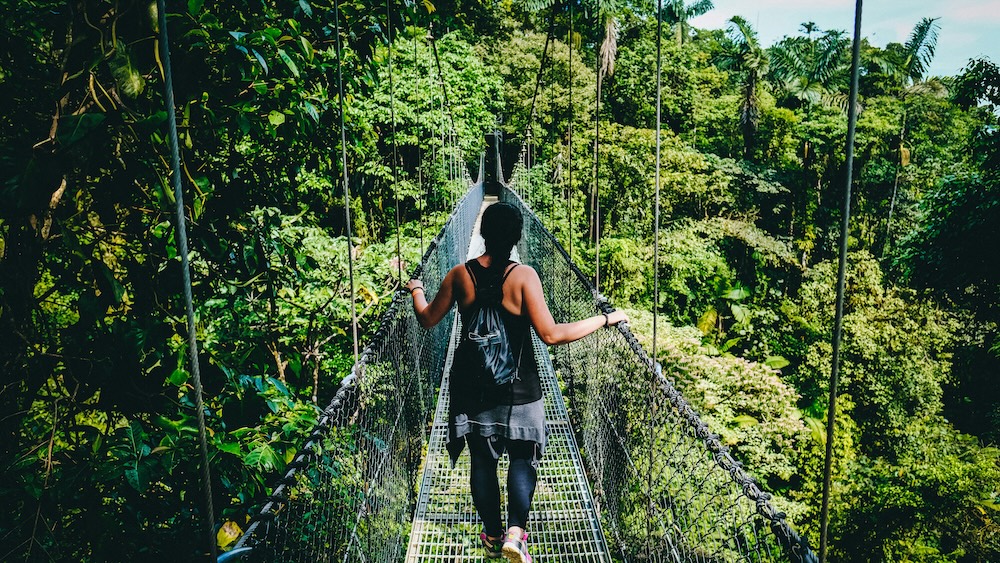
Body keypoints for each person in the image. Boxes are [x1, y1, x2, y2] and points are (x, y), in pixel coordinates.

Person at [405, 202, 627, 563]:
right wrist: (604, 320)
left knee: (482, 462)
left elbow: (428, 319)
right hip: (520, 388)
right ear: (517, 237)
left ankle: (492, 534)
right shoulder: (525, 277)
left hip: (472, 389)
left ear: (481, 234)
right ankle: (515, 533)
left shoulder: (460, 275)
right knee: (523, 459)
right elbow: (551, 335)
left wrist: (416, 289)